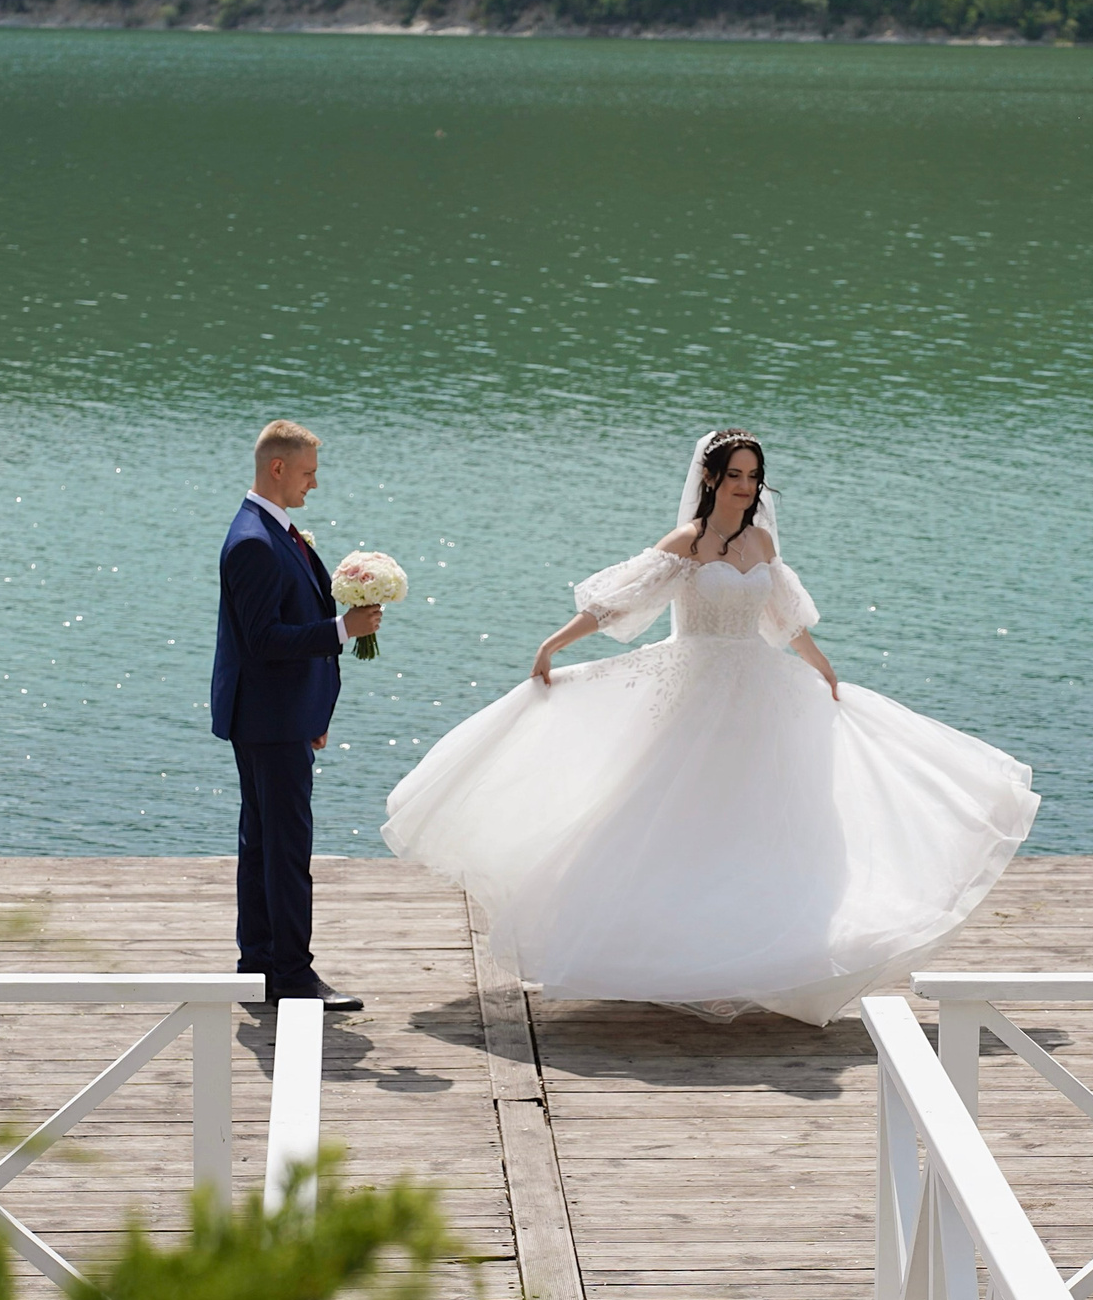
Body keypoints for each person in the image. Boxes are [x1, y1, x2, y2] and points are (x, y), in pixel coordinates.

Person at [382, 428, 1039, 1025]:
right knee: (675, 820)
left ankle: (746, 962)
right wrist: (554, 644)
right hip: (693, 692)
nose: (746, 487)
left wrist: (823, 670)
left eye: (754, 476)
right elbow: (619, 604)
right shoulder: (686, 545)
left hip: (759, 694)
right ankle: (674, 959)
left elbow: (785, 620)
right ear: (711, 480)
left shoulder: (763, 543)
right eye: (735, 476)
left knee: (759, 824)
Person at [211, 420, 381, 1012]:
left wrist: (316, 706)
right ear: (277, 468)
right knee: (285, 848)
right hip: (267, 718)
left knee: (262, 844)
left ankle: (258, 964)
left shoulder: (273, 530)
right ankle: (293, 976)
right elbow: (262, 640)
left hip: (277, 714)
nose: (315, 483)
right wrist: (343, 629)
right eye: (308, 472)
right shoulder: (254, 541)